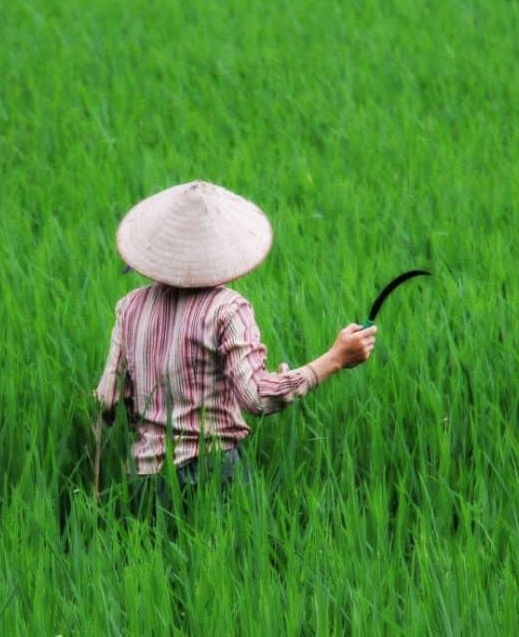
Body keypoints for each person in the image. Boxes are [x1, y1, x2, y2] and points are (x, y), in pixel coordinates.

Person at [93, 180, 376, 507]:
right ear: (220, 249)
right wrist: (336, 358)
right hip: (213, 474)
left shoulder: (129, 307)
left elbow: (107, 400)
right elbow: (257, 398)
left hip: (145, 482)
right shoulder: (227, 308)